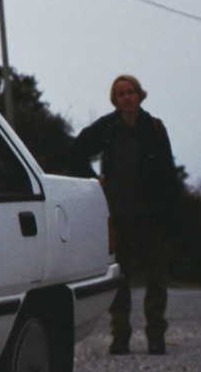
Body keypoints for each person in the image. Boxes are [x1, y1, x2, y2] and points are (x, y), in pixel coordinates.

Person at [69, 74, 179, 355]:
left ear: (139, 95)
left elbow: (168, 175)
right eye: (121, 94)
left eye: (130, 92)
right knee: (119, 281)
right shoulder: (107, 127)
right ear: (115, 99)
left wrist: (171, 217)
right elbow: (76, 149)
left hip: (151, 218)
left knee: (156, 280)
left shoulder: (154, 128)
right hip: (117, 217)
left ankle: (156, 336)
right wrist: (93, 180)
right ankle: (120, 336)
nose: (126, 97)